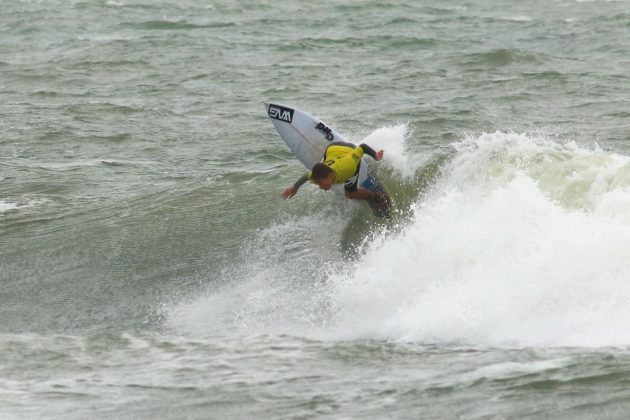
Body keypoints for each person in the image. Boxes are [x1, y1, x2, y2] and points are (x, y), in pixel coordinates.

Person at [281, 141, 385, 203]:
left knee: (350, 194)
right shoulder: (317, 176)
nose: (321, 187)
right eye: (319, 184)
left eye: (322, 183)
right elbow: (306, 176)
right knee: (321, 165)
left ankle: (375, 196)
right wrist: (295, 187)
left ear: (330, 175)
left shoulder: (347, 167)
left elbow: (362, 147)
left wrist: (375, 156)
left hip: (349, 150)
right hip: (331, 148)